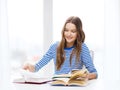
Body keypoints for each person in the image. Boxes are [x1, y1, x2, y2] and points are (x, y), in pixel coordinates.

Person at [23, 16, 98, 80]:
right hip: (57, 85)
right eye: (66, 30)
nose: (69, 34)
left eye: (73, 31)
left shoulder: (82, 48)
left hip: (74, 86)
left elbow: (94, 73)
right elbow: (36, 67)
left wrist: (85, 76)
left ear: (78, 33)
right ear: (63, 31)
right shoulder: (55, 47)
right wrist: (28, 65)